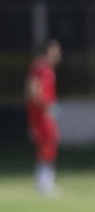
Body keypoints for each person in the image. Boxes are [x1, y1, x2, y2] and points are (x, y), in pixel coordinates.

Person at [26, 38, 63, 196]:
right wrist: (45, 105)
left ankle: (46, 180)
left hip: (47, 113)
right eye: (56, 50)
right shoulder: (40, 67)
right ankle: (43, 182)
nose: (59, 53)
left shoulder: (48, 69)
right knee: (46, 145)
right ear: (48, 51)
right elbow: (32, 90)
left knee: (51, 143)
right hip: (41, 114)